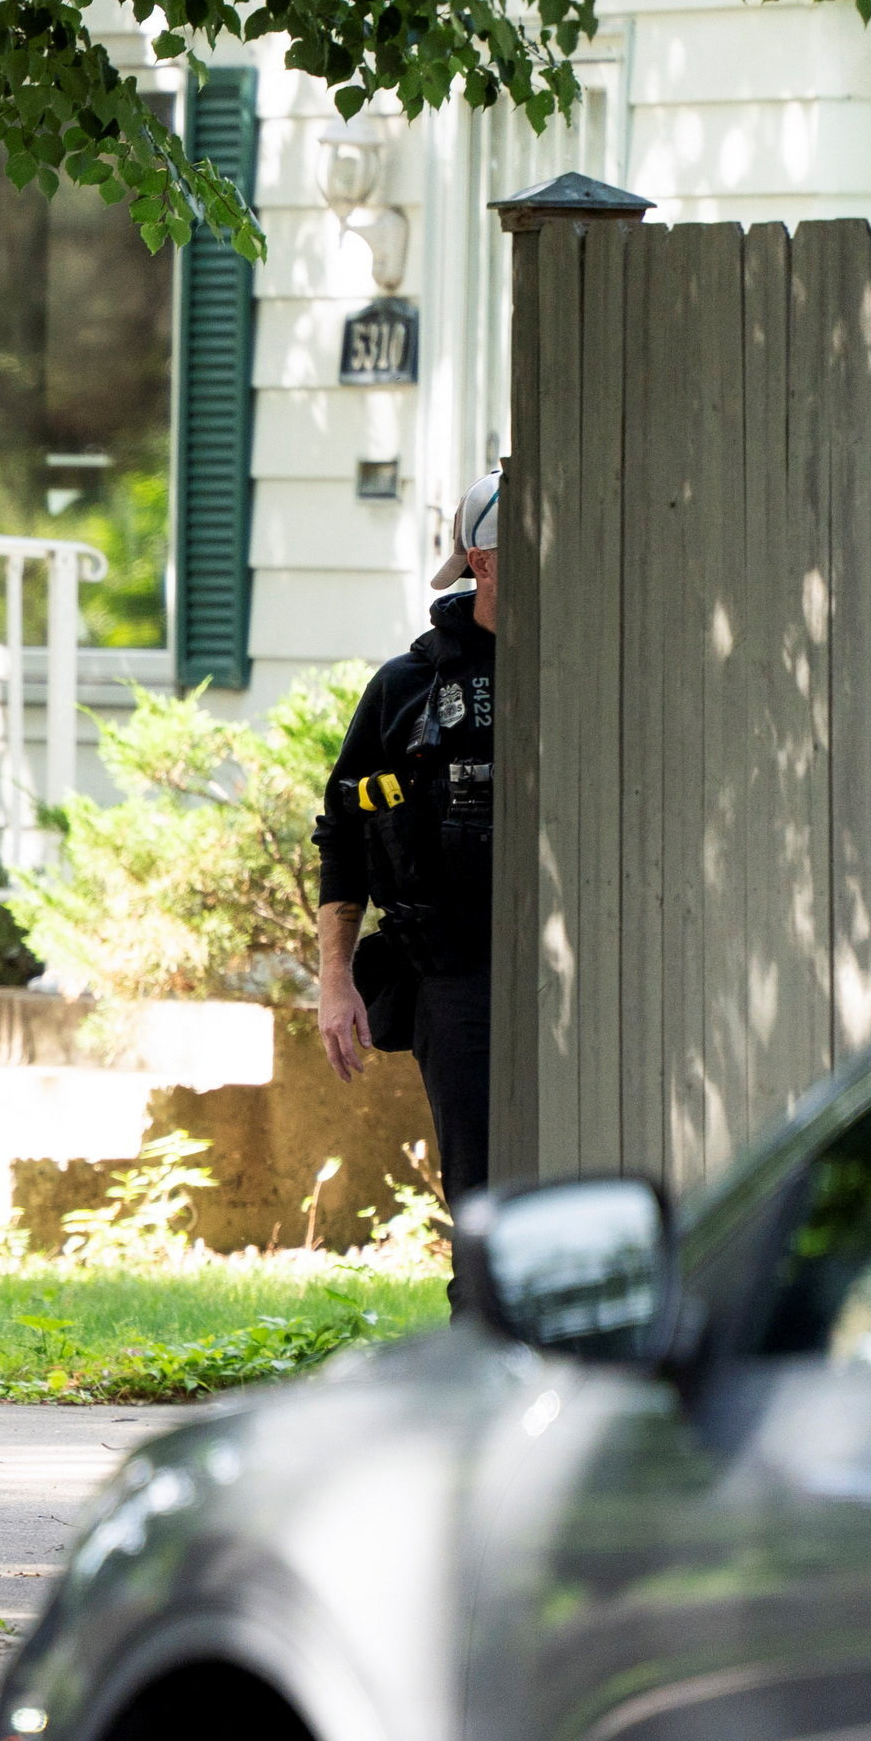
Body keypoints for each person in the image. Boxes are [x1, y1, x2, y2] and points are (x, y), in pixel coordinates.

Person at [318, 468, 502, 1222]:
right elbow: (344, 832)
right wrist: (335, 977)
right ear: (482, 561)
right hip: (456, 974)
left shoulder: (596, 675)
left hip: (582, 975)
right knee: (483, 1193)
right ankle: (486, 1334)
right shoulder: (407, 690)